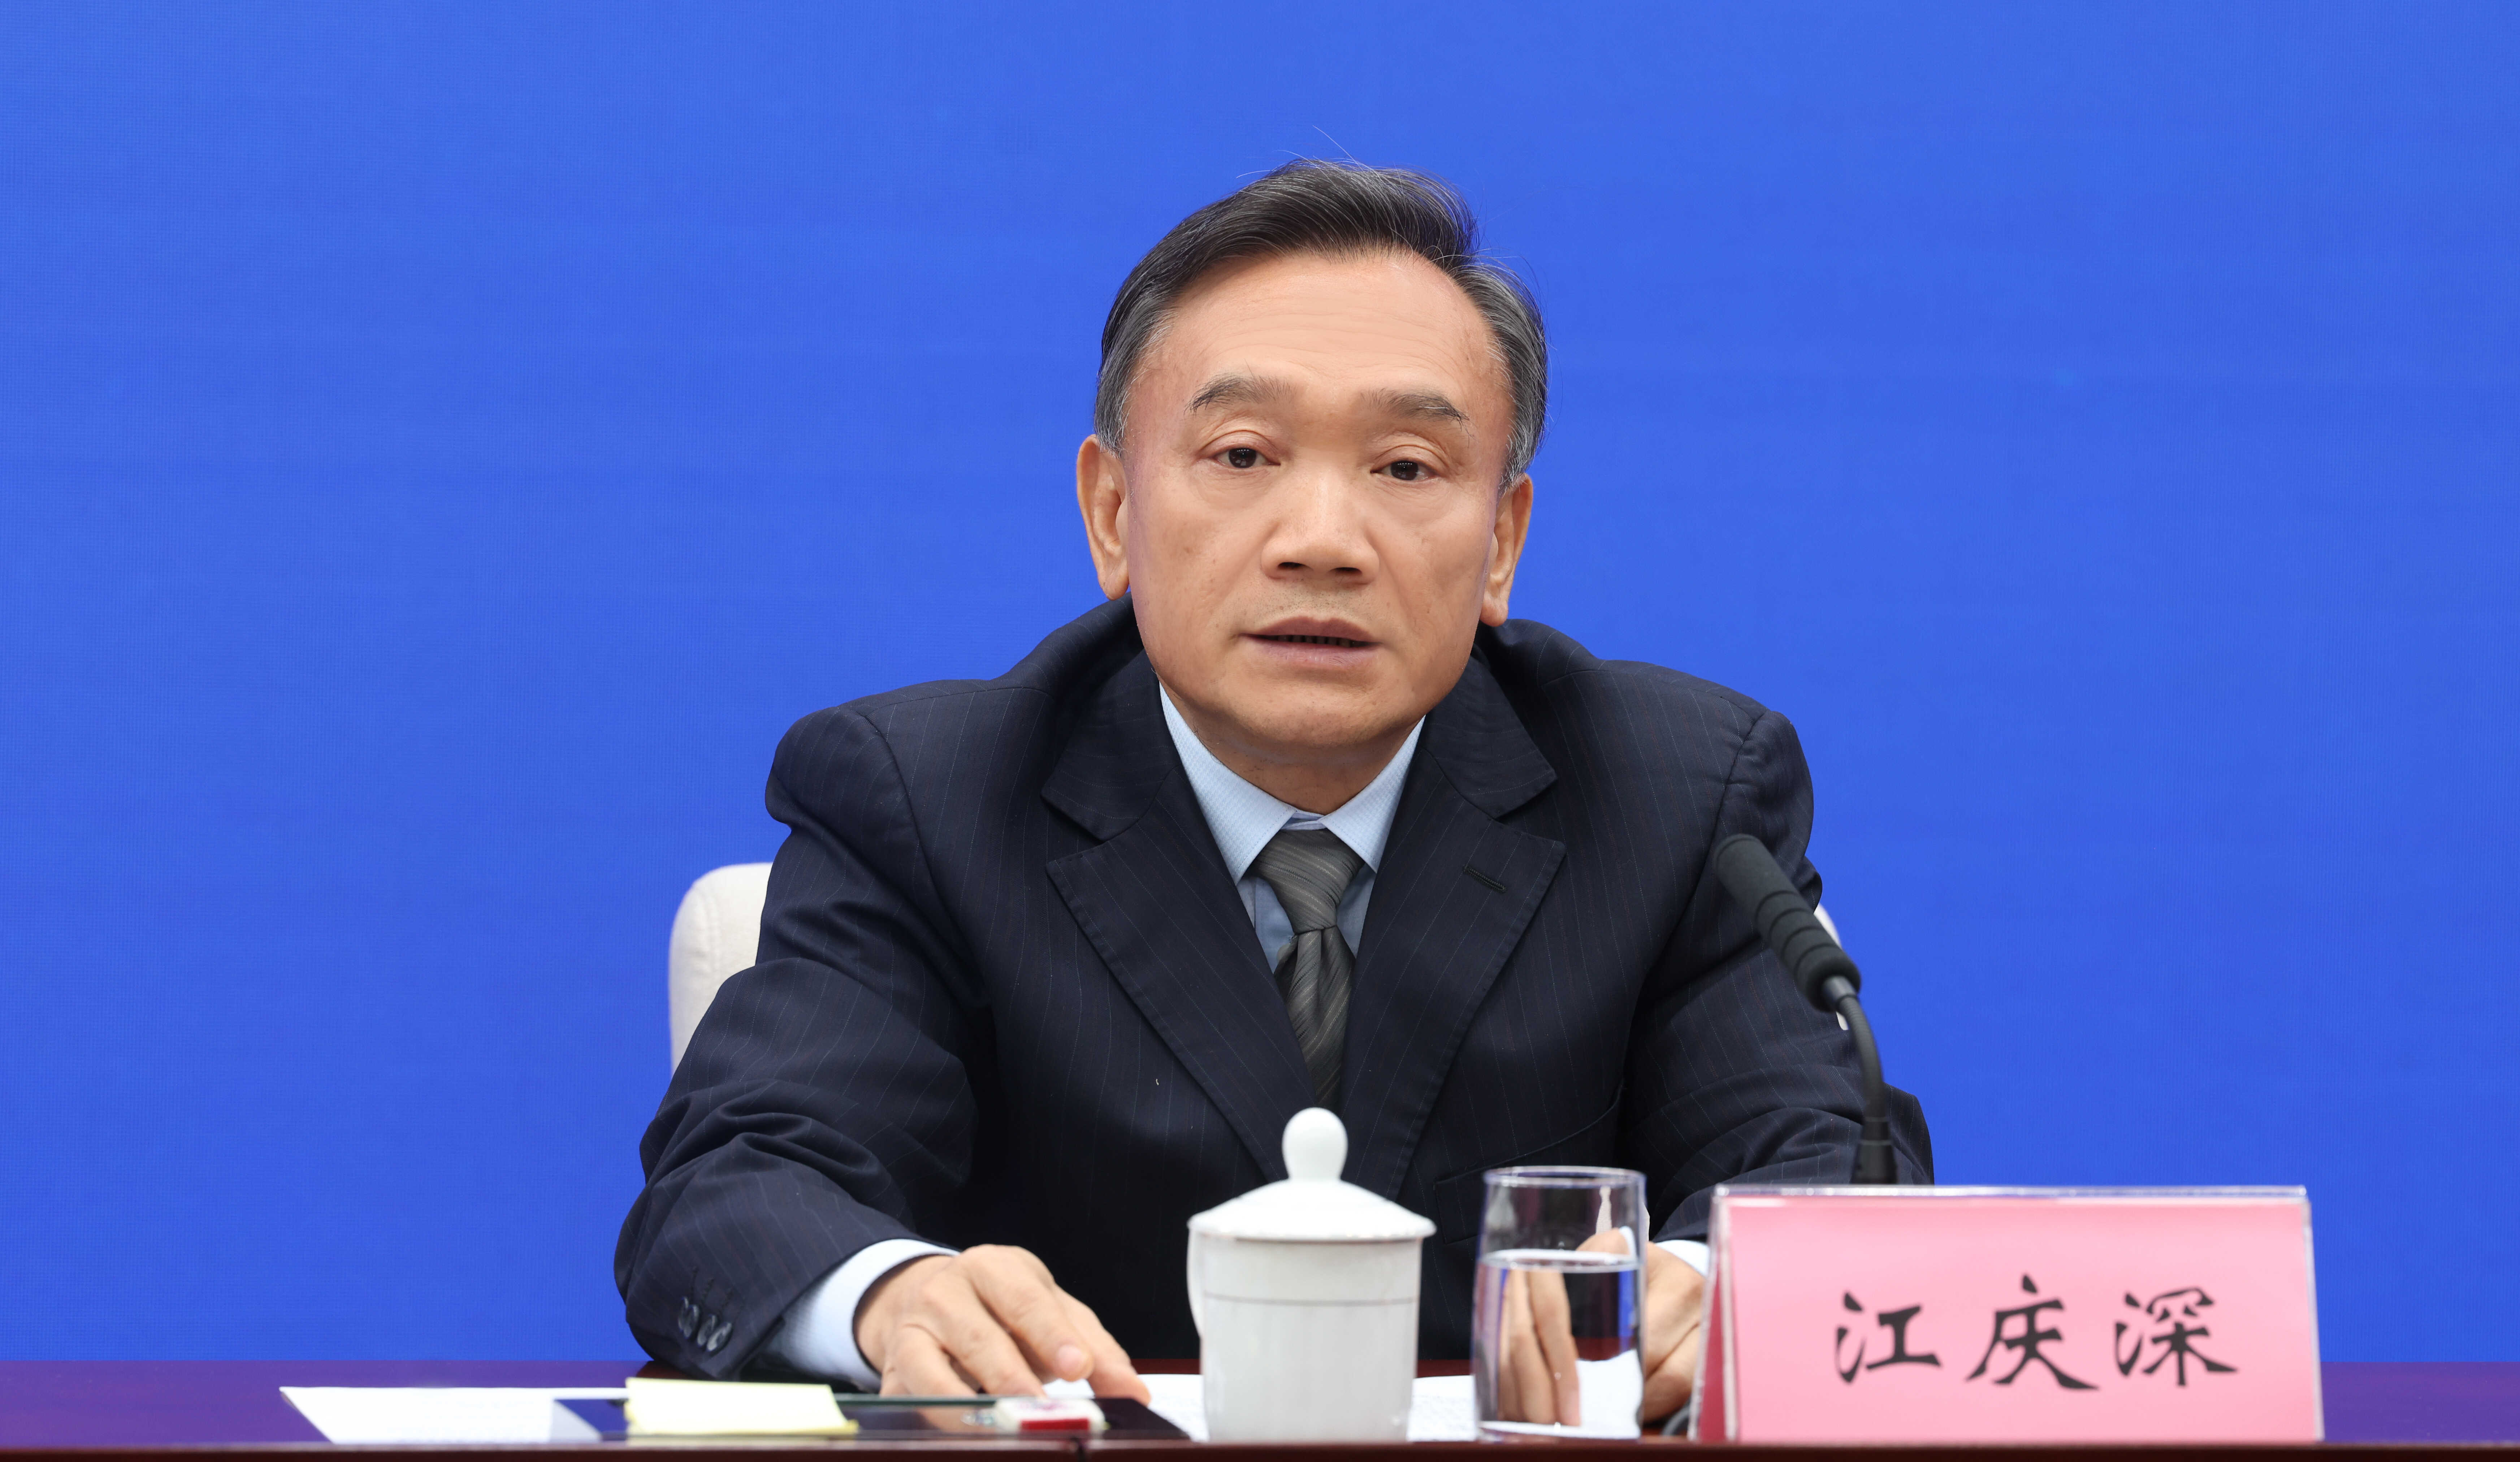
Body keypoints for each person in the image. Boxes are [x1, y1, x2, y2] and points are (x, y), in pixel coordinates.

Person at [615, 160, 1931, 1422]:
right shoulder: (925, 798)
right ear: (1113, 515)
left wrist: (1711, 1289)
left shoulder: (1675, 793)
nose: (1322, 541)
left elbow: (1827, 1156)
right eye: (1243, 456)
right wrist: (891, 1298)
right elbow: (738, 1184)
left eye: (1406, 469)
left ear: (1501, 542)